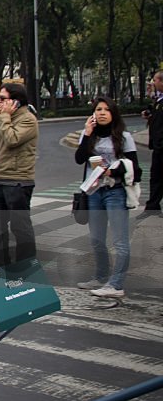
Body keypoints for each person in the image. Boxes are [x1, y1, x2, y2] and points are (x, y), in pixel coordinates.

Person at [75, 97, 140, 299]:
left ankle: (116, 284)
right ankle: (101, 276)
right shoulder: (88, 135)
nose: (102, 113)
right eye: (98, 109)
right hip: (94, 192)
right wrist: (87, 134)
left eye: (106, 110)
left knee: (120, 240)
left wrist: (115, 170)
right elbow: (79, 159)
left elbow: (136, 171)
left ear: (113, 113)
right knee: (96, 239)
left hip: (115, 192)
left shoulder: (124, 137)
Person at [0, 83, 39, 268]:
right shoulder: (2, 118)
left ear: (15, 101)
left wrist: (4, 117)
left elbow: (12, 139)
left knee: (20, 227)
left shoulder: (28, 120)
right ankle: (1, 263)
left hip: (18, 181)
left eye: (2, 98)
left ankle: (26, 265)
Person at [141, 70, 163, 214]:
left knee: (157, 176)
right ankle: (152, 207)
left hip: (161, 145)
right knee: (156, 176)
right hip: (158, 146)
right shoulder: (159, 100)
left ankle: (152, 206)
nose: (152, 83)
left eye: (154, 80)